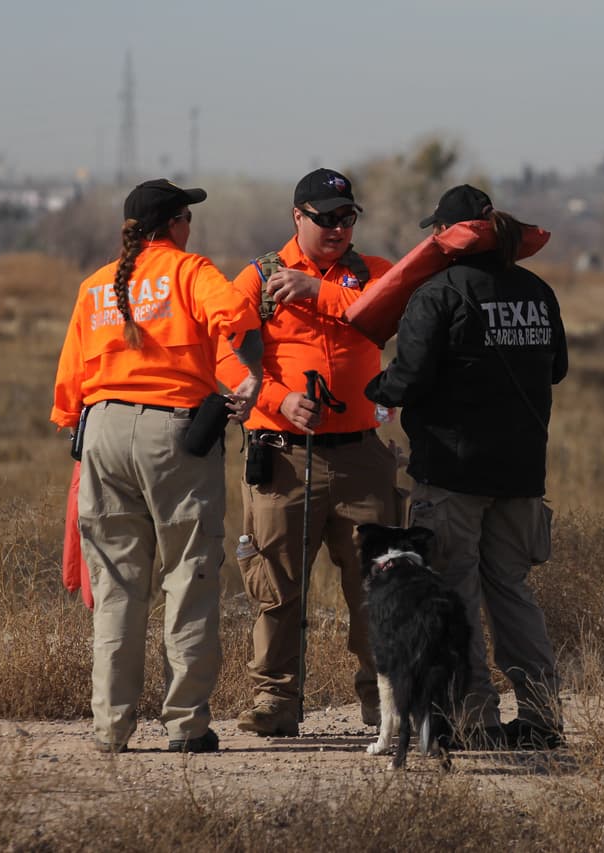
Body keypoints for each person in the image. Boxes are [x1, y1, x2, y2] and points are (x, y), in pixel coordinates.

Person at [51, 178, 264, 754]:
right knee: (188, 576)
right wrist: (249, 378)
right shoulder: (190, 270)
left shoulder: (94, 286)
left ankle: (111, 729)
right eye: (186, 218)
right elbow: (238, 316)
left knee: (117, 586)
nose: (190, 227)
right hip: (173, 434)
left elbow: (67, 393)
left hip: (100, 432)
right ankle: (186, 726)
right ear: (174, 225)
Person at [366, 185, 569, 749]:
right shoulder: (538, 291)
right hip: (522, 474)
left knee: (456, 597)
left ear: (447, 238)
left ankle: (475, 720)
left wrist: (375, 387)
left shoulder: (437, 294)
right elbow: (557, 370)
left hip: (452, 476)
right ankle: (542, 718)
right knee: (513, 591)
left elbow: (407, 379)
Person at [217, 168, 399, 737]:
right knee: (276, 586)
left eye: (348, 218)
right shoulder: (259, 275)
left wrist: (320, 291)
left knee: (379, 586)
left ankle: (382, 701)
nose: (339, 228)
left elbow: (394, 310)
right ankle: (275, 700)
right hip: (283, 458)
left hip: (363, 457)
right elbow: (217, 349)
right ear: (298, 216)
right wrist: (275, 398)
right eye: (326, 218)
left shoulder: (372, 273)